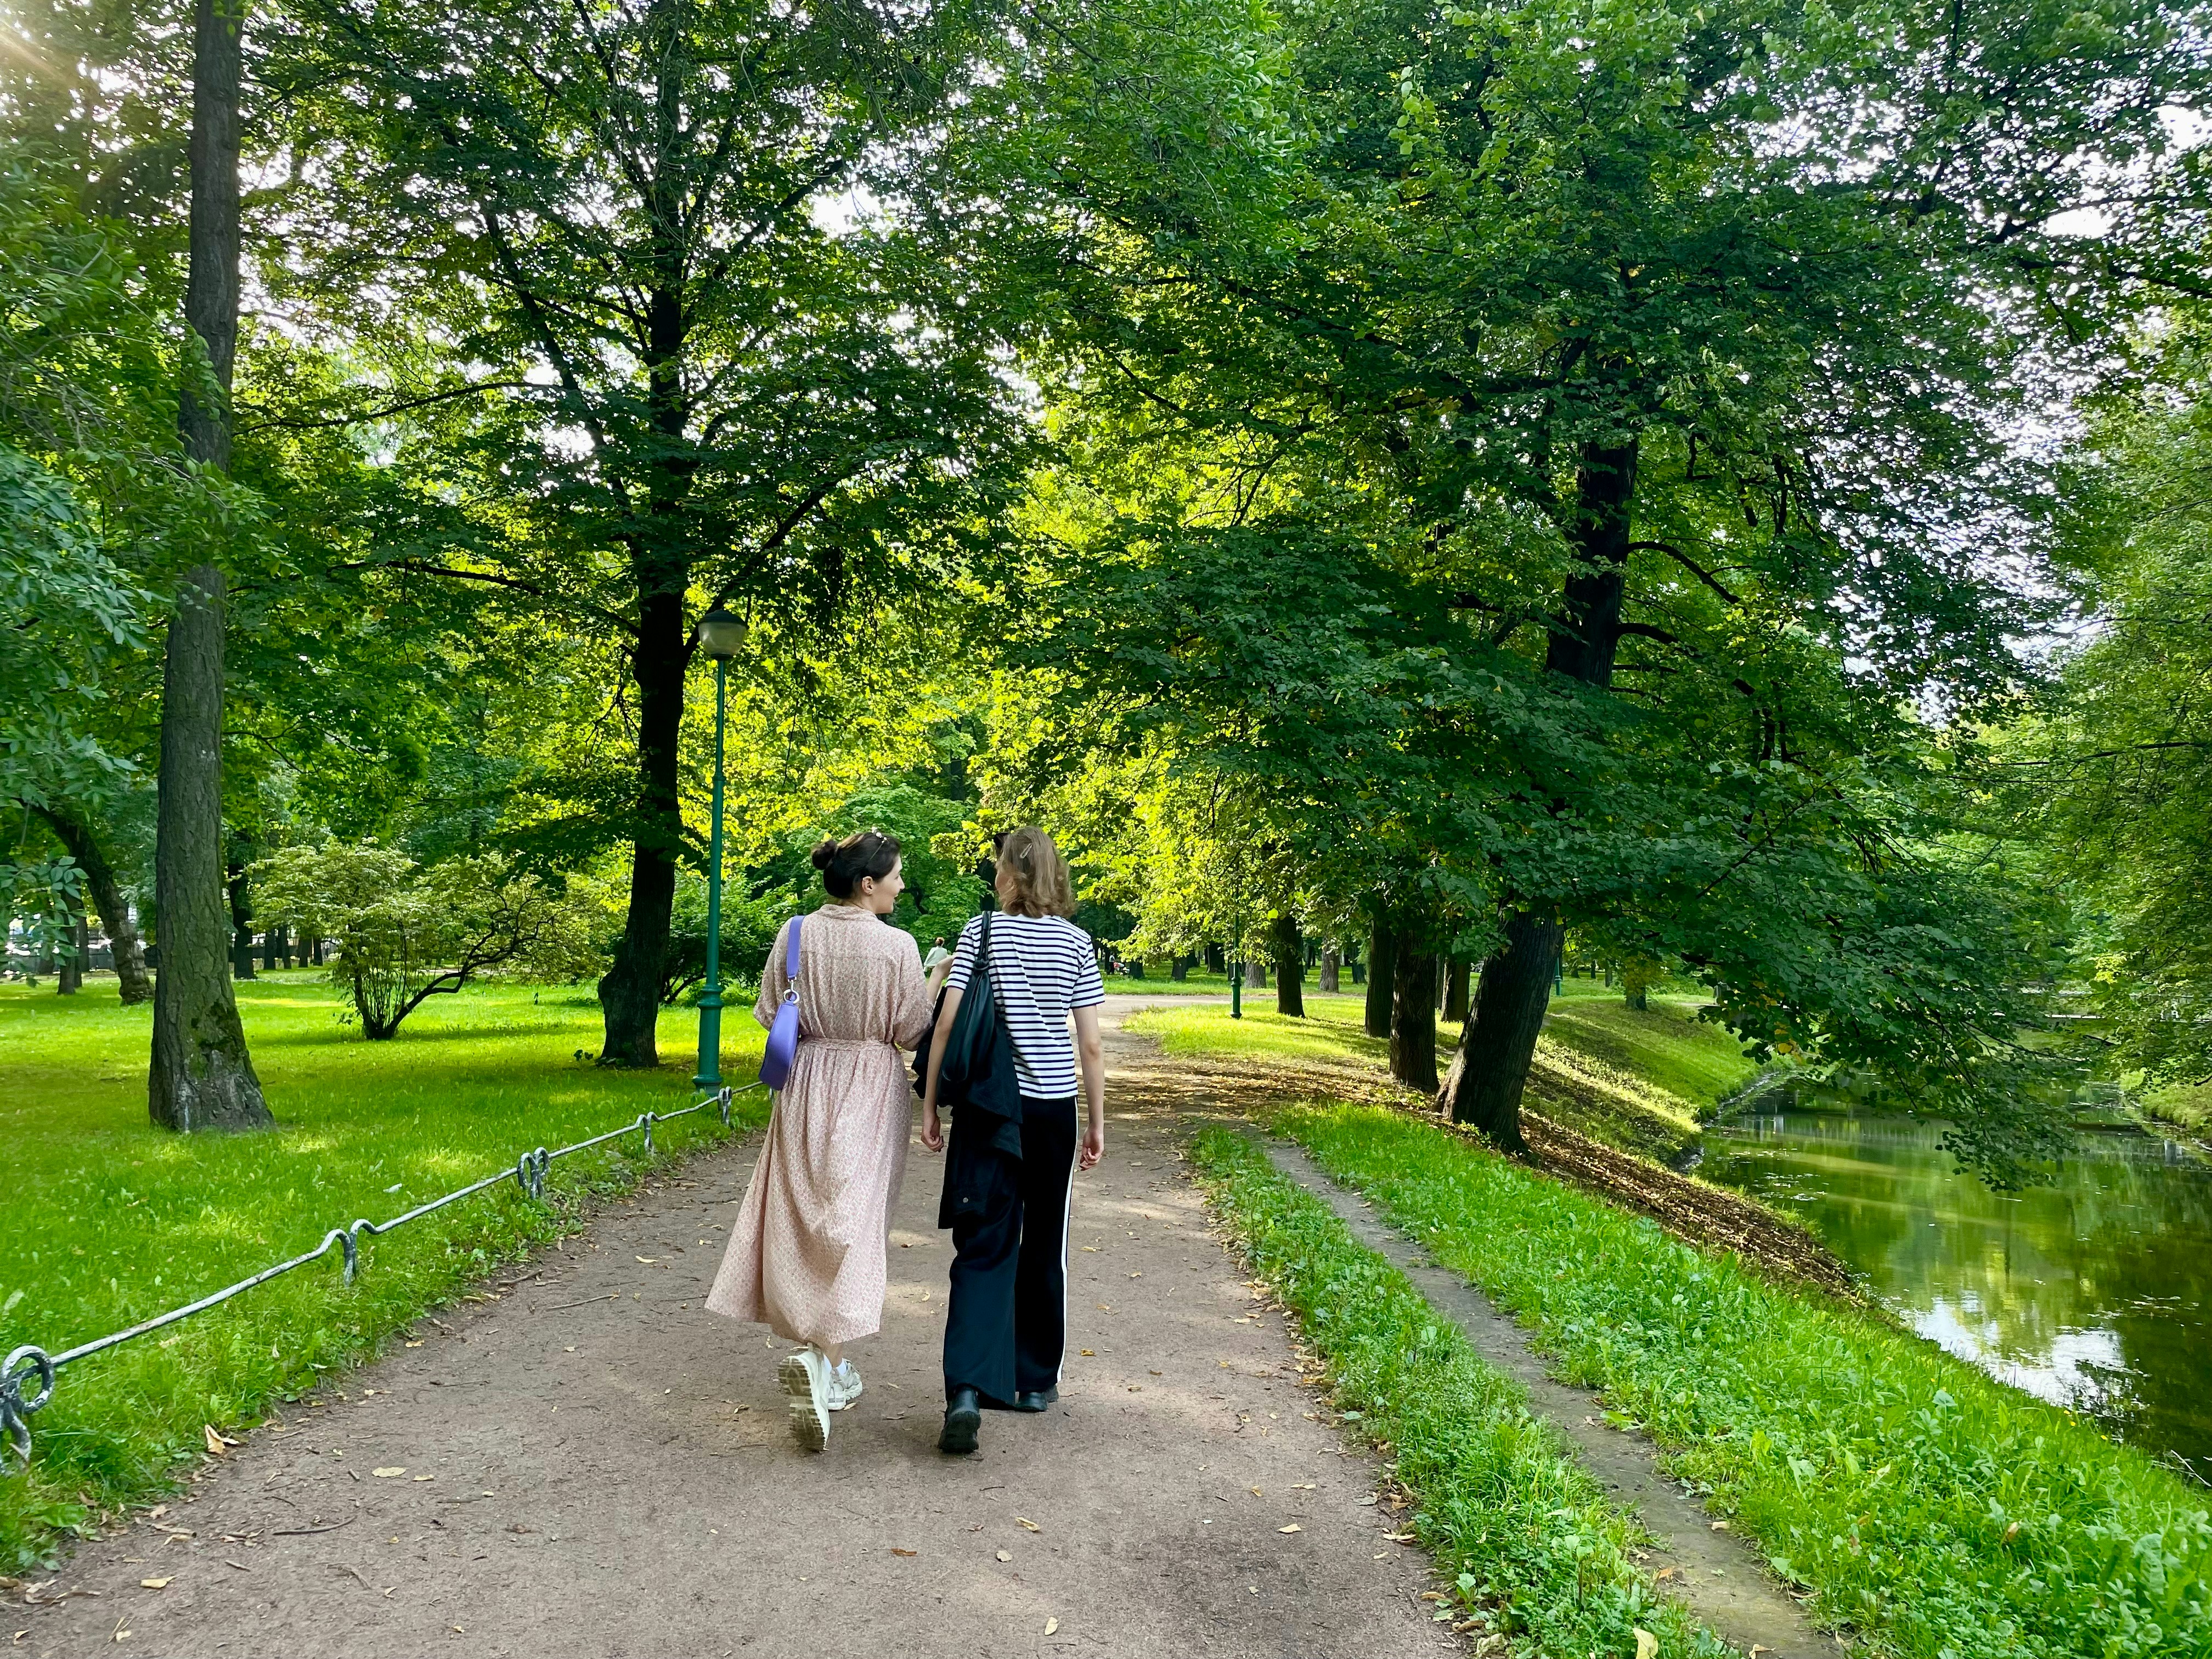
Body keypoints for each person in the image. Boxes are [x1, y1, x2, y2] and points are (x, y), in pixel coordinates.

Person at [704, 830, 949, 1452]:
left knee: (804, 1214)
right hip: (869, 1082)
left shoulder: (794, 934)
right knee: (853, 1220)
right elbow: (910, 1030)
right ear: (868, 884)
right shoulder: (898, 946)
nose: (900, 884)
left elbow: (769, 1012)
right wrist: (935, 976)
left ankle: (826, 1360)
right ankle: (826, 1365)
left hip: (805, 1080)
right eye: (895, 875)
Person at [918, 826, 1106, 1455]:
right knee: (1045, 1241)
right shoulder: (1079, 943)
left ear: (1009, 874)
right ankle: (1031, 1383)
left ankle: (968, 1390)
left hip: (989, 1111)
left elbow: (946, 1022)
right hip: (1053, 1112)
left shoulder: (982, 933)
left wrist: (929, 1106)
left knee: (981, 1245)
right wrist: (1097, 1121)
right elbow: (1091, 1045)